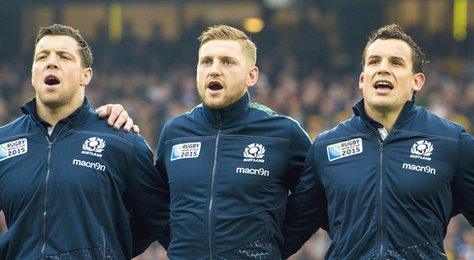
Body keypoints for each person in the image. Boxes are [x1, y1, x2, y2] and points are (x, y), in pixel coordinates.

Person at [283, 24, 474, 259]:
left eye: (396, 62)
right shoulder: (326, 147)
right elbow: (291, 230)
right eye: (374, 61)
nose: (382, 69)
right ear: (362, 79)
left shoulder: (451, 141)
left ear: (417, 82)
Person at [0, 24, 169, 259]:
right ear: (32, 73)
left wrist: (108, 250)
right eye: (42, 56)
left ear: (85, 75)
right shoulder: (4, 141)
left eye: (64, 56)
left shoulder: (122, 141)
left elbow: (159, 221)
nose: (51, 62)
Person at [154, 24, 313, 259]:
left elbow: (312, 202)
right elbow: (156, 204)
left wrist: (272, 247)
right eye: (206, 61)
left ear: (252, 75)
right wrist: (182, 246)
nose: (214, 70)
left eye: (227, 62)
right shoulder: (175, 132)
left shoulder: (284, 133)